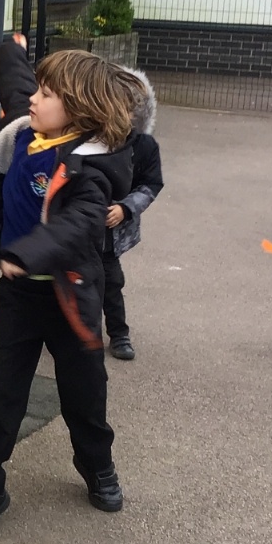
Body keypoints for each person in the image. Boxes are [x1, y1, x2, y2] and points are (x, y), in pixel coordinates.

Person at [0, 38, 139, 543]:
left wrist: (27, 253)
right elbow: (16, 81)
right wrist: (8, 48)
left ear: (78, 110)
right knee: (2, 397)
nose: (33, 99)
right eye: (37, 89)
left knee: (84, 395)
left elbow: (80, 223)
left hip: (71, 298)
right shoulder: (25, 131)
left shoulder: (90, 167)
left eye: (46, 94)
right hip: (19, 299)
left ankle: (97, 466)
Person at [103, 69, 163, 361]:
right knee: (72, 279)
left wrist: (125, 208)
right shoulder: (89, 140)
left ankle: (119, 334)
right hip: (80, 225)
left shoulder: (144, 146)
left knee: (111, 282)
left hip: (112, 230)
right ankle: (69, 329)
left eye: (124, 110)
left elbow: (151, 185)